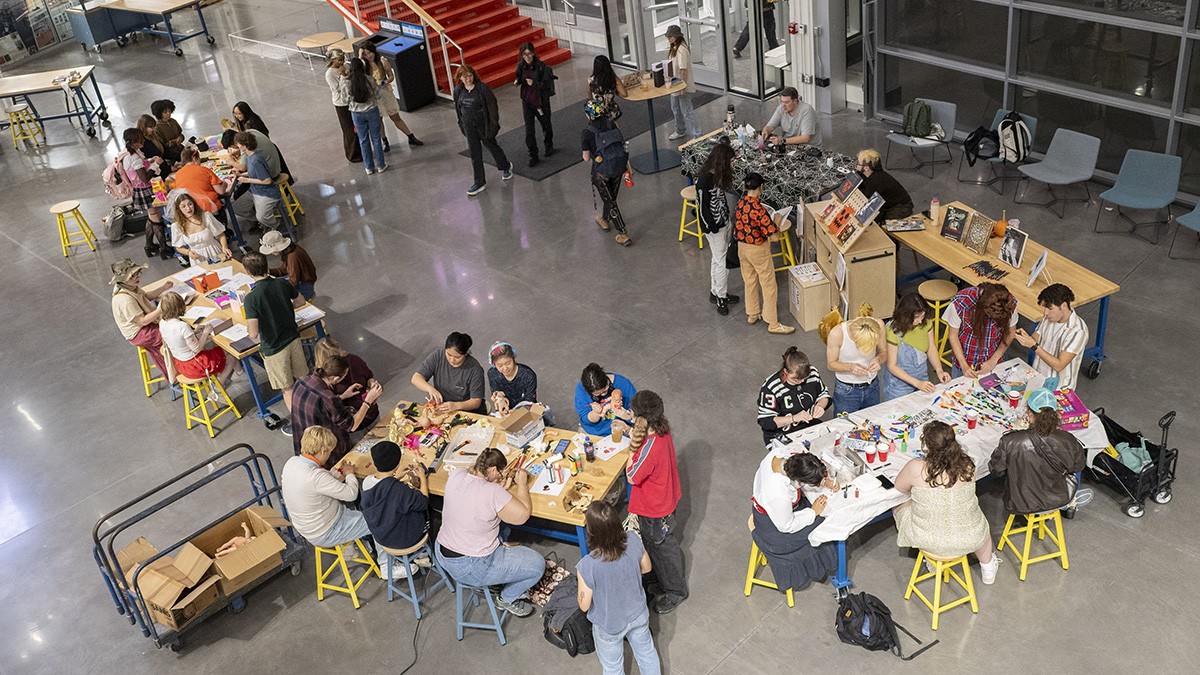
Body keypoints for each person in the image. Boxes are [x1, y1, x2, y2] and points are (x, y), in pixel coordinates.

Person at [435, 448, 542, 618]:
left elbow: (476, 496)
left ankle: (498, 563)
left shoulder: (457, 474)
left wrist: (497, 488)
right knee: (537, 566)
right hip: (471, 565)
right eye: (499, 472)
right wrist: (522, 484)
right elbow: (523, 515)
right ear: (492, 469)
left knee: (501, 526)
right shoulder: (493, 492)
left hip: (442, 551)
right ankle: (506, 598)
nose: (501, 476)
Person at [893, 421, 1001, 584]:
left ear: (927, 446)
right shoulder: (968, 465)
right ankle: (988, 568)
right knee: (980, 525)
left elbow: (899, 487)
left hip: (927, 539)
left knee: (899, 503)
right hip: (969, 537)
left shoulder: (916, 467)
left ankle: (930, 556)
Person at [576, 501, 661, 675]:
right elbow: (647, 568)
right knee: (646, 653)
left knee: (613, 668)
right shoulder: (633, 539)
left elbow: (584, 605)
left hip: (609, 624)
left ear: (591, 532)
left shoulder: (587, 565)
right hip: (638, 613)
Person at [626, 391, 687, 614]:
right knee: (659, 545)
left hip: (653, 508)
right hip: (666, 498)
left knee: (662, 549)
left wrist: (630, 450)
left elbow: (632, 475)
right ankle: (661, 580)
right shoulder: (663, 427)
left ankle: (675, 591)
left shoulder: (649, 449)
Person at [751, 450, 838, 595]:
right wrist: (813, 512)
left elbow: (800, 477)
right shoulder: (778, 492)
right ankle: (819, 567)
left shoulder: (780, 457)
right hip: (775, 530)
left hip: (780, 512)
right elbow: (787, 526)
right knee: (823, 524)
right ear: (800, 479)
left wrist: (824, 481)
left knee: (816, 513)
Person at [989, 388, 1086, 515]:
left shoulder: (1010, 441)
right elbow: (1078, 466)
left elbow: (996, 470)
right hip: (1059, 498)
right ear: (1055, 413)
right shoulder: (1068, 439)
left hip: (1020, 503)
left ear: (1029, 412)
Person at [243, 251, 307, 434]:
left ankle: (300, 424)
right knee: (303, 379)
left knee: (287, 388)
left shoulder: (251, 299)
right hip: (293, 339)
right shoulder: (282, 283)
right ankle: (313, 409)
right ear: (266, 265)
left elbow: (253, 333)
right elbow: (300, 301)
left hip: (274, 348)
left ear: (248, 272)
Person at [281, 426, 373, 548]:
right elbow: (351, 494)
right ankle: (386, 563)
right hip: (326, 531)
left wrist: (332, 476)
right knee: (379, 522)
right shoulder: (316, 476)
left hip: (307, 526)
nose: (329, 455)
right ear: (323, 451)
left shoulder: (292, 462)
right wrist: (349, 473)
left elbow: (311, 488)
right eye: (329, 452)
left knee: (372, 516)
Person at [291, 353, 384, 468]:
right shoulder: (329, 398)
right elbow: (352, 425)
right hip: (323, 453)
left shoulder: (302, 380)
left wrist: (343, 396)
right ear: (336, 378)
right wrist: (368, 400)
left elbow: (320, 405)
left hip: (303, 445)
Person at [360, 440, 430, 578]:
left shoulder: (367, 482)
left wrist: (395, 478)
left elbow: (383, 489)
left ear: (374, 463)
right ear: (398, 463)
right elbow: (423, 501)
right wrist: (422, 478)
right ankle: (423, 554)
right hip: (403, 539)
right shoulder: (399, 490)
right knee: (427, 512)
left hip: (381, 536)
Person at [735, 172, 795, 334]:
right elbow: (774, 238)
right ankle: (772, 322)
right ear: (761, 187)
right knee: (768, 284)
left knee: (749, 280)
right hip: (758, 249)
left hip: (742, 247)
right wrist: (776, 222)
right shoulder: (759, 210)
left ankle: (752, 313)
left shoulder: (741, 203)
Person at [1013, 283, 1089, 391]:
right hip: (1038, 379)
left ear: (1063, 306)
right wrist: (1025, 338)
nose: (1045, 313)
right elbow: (1035, 339)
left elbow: (1059, 365)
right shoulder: (1048, 318)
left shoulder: (1077, 331)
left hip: (1059, 389)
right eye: (1044, 308)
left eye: (1049, 308)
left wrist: (1034, 346)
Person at [695, 142, 741, 315]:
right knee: (722, 262)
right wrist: (711, 227)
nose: (732, 164)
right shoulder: (704, 180)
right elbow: (702, 207)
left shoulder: (716, 176)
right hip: (715, 227)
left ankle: (715, 292)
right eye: (730, 160)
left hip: (722, 223)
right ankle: (721, 296)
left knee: (717, 259)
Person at [156, 291, 233, 392]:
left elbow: (177, 338)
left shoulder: (162, 323)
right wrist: (205, 333)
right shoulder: (182, 326)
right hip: (195, 365)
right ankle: (219, 388)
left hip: (180, 363)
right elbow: (196, 348)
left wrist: (193, 332)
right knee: (231, 355)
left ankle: (238, 373)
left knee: (214, 348)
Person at [454, 64, 512, 196]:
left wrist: (493, 126)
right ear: (460, 78)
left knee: (492, 146)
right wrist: (461, 124)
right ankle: (479, 182)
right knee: (474, 153)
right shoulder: (458, 91)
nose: (468, 79)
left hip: (483, 125)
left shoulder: (482, 89)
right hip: (469, 126)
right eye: (465, 77)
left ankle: (505, 166)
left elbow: (492, 108)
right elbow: (458, 109)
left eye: (470, 75)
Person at [581, 100, 632, 246]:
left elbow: (585, 158)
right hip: (618, 166)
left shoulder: (587, 132)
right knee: (611, 196)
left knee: (610, 200)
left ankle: (623, 233)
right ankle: (604, 219)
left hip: (601, 171)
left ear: (588, 116)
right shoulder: (612, 124)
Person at [882, 293, 951, 401]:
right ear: (905, 315)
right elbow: (892, 366)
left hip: (921, 376)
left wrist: (939, 370)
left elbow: (931, 348)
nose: (920, 321)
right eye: (916, 317)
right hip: (899, 384)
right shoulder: (892, 330)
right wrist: (917, 383)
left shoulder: (926, 323)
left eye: (922, 316)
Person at [757, 347, 831, 445]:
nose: (801, 382)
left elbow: (824, 395)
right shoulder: (771, 387)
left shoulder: (813, 373)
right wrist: (794, 418)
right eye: (795, 379)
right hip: (782, 434)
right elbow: (766, 421)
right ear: (785, 372)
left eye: (805, 378)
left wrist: (820, 405)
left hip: (809, 428)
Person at [109, 258, 170, 377]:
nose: (137, 278)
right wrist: (161, 308)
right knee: (171, 332)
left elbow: (146, 296)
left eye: (137, 274)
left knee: (171, 324)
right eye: (132, 276)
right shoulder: (124, 299)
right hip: (138, 332)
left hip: (145, 323)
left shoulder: (131, 287)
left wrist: (163, 288)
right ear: (123, 280)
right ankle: (177, 368)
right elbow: (143, 321)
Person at [358, 41, 423, 150]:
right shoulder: (363, 66)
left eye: (370, 53)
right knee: (378, 120)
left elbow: (391, 75)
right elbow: (358, 71)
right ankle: (384, 141)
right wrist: (360, 56)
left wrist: (386, 82)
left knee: (395, 117)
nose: (369, 56)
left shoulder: (383, 62)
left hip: (386, 92)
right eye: (365, 54)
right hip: (374, 96)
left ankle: (410, 136)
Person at [945, 282, 1018, 377]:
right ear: (983, 307)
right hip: (964, 361)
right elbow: (953, 336)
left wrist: (994, 359)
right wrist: (964, 366)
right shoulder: (961, 302)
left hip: (993, 361)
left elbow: (1011, 333)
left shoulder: (1009, 303)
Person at [411, 332, 487, 414]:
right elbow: (416, 378)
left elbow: (476, 401)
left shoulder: (475, 369)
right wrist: (430, 389)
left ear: (466, 353)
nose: (452, 360)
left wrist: (456, 406)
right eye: (449, 354)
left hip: (467, 412)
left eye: (457, 357)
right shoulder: (438, 357)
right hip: (443, 408)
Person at [121, 128, 168, 259]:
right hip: (145, 190)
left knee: (152, 217)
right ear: (135, 141)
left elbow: (141, 166)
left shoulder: (131, 153)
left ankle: (149, 246)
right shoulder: (133, 157)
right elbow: (144, 178)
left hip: (142, 190)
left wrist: (150, 160)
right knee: (156, 218)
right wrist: (155, 164)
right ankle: (163, 248)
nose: (143, 140)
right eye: (141, 138)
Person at [313, 337, 380, 429]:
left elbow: (368, 376)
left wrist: (372, 384)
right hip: (353, 425)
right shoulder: (322, 383)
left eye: (339, 354)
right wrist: (367, 401)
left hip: (372, 416)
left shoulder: (354, 360)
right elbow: (350, 425)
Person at [826, 315, 887, 415]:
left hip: (872, 385)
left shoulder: (878, 325)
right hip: (847, 390)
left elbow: (883, 352)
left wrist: (878, 359)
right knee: (844, 425)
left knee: (872, 420)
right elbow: (831, 364)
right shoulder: (837, 334)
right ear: (855, 338)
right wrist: (850, 367)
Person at [343, 56, 387, 175]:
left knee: (363, 140)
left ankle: (368, 167)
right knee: (376, 139)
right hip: (372, 111)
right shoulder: (369, 79)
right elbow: (378, 95)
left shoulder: (346, 83)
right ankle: (381, 165)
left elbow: (344, 99)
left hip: (356, 114)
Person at [514, 41, 555, 167]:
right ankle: (533, 154)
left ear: (533, 53)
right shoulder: (520, 66)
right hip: (527, 101)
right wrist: (518, 81)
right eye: (524, 55)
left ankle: (549, 146)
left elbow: (547, 84)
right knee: (529, 130)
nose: (527, 57)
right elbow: (519, 77)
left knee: (546, 124)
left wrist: (535, 83)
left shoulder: (542, 67)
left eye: (529, 54)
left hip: (540, 101)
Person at [233, 131, 283, 232]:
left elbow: (267, 180)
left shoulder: (256, 160)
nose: (237, 145)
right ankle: (262, 222)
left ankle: (275, 224)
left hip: (266, 193)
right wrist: (241, 174)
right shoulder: (251, 156)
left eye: (238, 143)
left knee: (262, 216)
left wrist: (246, 180)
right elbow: (254, 172)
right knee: (237, 207)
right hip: (255, 190)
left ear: (244, 146)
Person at [574, 363, 636, 436]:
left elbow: (638, 411)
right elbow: (586, 419)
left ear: (606, 379)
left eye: (605, 390)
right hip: (593, 431)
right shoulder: (581, 389)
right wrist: (596, 413)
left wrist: (627, 416)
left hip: (620, 430)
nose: (603, 395)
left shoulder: (623, 383)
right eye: (597, 394)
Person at [169, 192, 231, 264]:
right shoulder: (176, 226)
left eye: (190, 204)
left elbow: (221, 234)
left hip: (214, 251)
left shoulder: (206, 216)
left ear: (194, 204)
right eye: (183, 206)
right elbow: (178, 247)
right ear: (179, 209)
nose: (188, 208)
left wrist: (224, 247)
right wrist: (188, 252)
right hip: (197, 258)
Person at [324, 48, 362, 163]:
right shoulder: (330, 74)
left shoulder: (344, 66)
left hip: (351, 100)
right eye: (339, 60)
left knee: (357, 127)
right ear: (332, 60)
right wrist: (343, 77)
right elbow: (337, 89)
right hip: (341, 103)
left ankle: (361, 150)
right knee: (349, 129)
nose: (341, 62)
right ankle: (352, 154)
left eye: (343, 59)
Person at [486, 341, 542, 418]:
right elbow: (495, 391)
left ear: (513, 358)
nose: (505, 368)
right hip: (505, 413)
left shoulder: (527, 375)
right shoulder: (493, 373)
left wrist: (514, 413)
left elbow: (530, 402)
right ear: (494, 364)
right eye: (500, 365)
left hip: (527, 413)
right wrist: (500, 399)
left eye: (508, 363)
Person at [855, 148, 914, 220]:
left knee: (884, 225)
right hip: (890, 204)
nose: (856, 165)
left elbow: (867, 201)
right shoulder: (870, 173)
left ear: (866, 168)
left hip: (901, 207)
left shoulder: (875, 181)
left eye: (858, 163)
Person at [664, 25, 701, 141]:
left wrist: (683, 87)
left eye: (671, 36)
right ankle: (680, 129)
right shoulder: (674, 48)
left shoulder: (681, 50)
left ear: (676, 37)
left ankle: (697, 134)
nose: (669, 39)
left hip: (680, 85)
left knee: (687, 111)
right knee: (676, 109)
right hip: (675, 83)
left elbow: (683, 70)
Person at [261, 230, 317, 300]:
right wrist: (268, 271)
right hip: (301, 282)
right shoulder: (290, 251)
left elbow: (294, 281)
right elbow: (284, 270)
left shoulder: (292, 257)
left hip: (304, 286)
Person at [174, 147, 227, 215]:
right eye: (199, 159)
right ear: (194, 159)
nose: (200, 163)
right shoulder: (204, 170)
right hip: (209, 209)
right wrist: (225, 183)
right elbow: (221, 191)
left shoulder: (178, 174)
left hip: (191, 211)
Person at [587, 54, 626, 122]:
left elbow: (589, 97)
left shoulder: (590, 80)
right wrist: (614, 91)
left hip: (596, 112)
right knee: (613, 127)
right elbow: (624, 94)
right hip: (611, 110)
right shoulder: (613, 79)